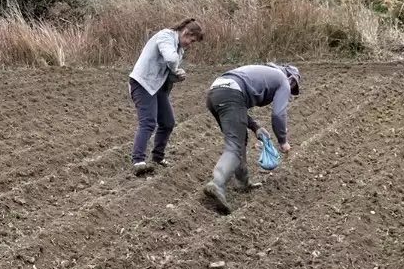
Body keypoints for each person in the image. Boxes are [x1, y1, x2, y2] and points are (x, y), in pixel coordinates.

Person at [203, 63, 301, 213]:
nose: (290, 90)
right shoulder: (283, 80)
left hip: (215, 92)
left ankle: (243, 181)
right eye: (292, 86)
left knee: (240, 139)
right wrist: (283, 141)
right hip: (231, 94)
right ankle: (217, 183)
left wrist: (255, 127)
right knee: (234, 145)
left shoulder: (262, 73)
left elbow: (235, 105)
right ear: (292, 79)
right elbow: (278, 114)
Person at [127, 17, 205, 175]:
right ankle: (138, 161)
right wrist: (177, 68)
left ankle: (157, 157)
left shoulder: (179, 49)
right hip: (142, 83)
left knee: (168, 122)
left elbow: (168, 74)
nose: (191, 43)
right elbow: (170, 59)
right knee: (148, 122)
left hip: (157, 87)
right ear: (186, 32)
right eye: (192, 39)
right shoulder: (166, 36)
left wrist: (178, 76)